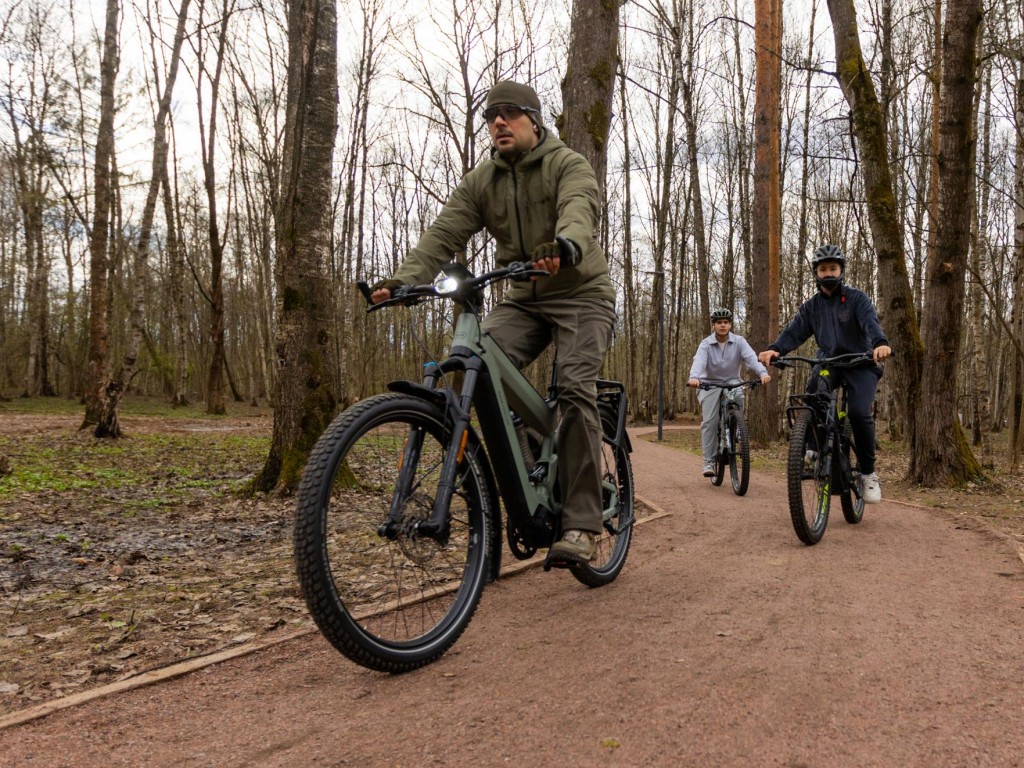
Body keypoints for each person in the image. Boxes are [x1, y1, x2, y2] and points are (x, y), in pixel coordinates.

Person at [370, 81, 616, 566]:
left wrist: (565, 246)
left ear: (534, 120)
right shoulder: (483, 180)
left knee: (573, 387)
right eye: (491, 116)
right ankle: (525, 474)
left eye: (509, 113)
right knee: (468, 366)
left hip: (580, 293)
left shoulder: (567, 163)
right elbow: (444, 231)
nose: (498, 122)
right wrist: (402, 280)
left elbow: (579, 209)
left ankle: (583, 524)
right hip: (523, 298)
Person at [757, 244, 892, 503]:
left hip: (861, 363)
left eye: (833, 268)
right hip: (829, 363)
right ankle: (813, 449)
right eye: (823, 269)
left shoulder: (857, 299)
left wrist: (879, 343)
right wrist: (775, 349)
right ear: (816, 273)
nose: (828, 273)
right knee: (813, 396)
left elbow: (870, 322)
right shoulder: (812, 307)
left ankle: (867, 473)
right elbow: (794, 331)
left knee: (858, 412)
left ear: (841, 270)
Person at [688, 308, 772, 477]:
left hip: (732, 381)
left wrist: (762, 373)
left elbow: (750, 358)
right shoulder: (706, 344)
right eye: (719, 323)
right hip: (709, 383)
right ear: (713, 326)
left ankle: (737, 426)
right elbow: (699, 362)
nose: (723, 325)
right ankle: (709, 461)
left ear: (730, 325)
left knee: (739, 394)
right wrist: (694, 377)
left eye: (726, 322)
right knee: (710, 421)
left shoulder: (739, 341)